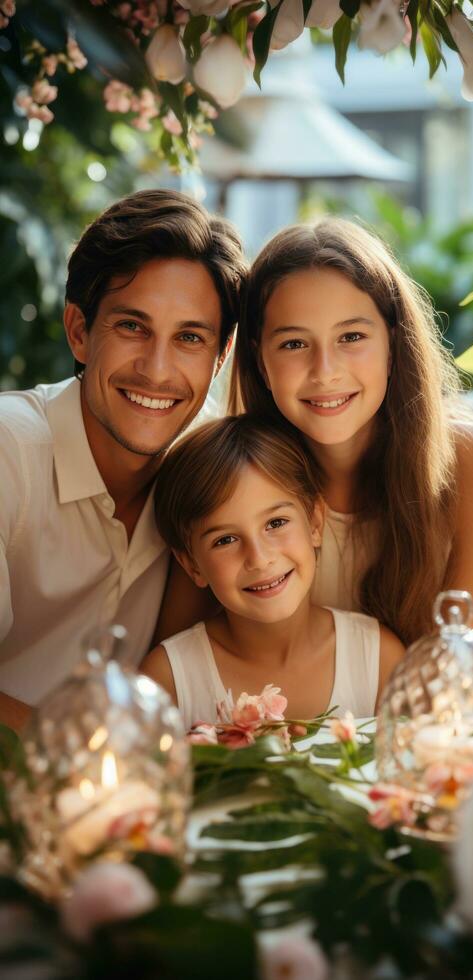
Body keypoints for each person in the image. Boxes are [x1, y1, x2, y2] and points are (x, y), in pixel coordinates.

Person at [0, 189, 247, 729]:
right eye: (133, 327)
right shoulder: (8, 454)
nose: (157, 371)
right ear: (80, 332)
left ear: (221, 355)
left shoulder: (213, 474)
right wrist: (95, 762)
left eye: (188, 338)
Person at [231, 218, 473, 647]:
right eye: (294, 343)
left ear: (392, 344)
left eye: (351, 336)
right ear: (260, 362)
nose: (325, 372)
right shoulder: (229, 476)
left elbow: (470, 679)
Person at [141, 415, 404, 725]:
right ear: (192, 565)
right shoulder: (166, 681)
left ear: (315, 523)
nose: (259, 558)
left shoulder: (377, 658)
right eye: (225, 540)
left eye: (276, 523)